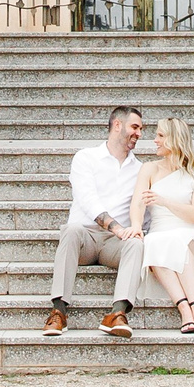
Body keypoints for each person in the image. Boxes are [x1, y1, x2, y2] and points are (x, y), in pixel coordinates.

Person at [45, 105, 149, 337]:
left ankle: (117, 313)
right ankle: (59, 311)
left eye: (141, 129)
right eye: (135, 127)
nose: (139, 134)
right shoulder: (86, 157)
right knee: (70, 230)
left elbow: (146, 210)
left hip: (115, 244)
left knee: (136, 242)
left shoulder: (141, 169)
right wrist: (117, 227)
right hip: (86, 237)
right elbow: (88, 200)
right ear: (117, 125)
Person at [133, 117, 194, 334]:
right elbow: (138, 204)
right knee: (152, 242)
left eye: (160, 135)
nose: (155, 141)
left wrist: (165, 201)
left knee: (177, 240)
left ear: (174, 139)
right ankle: (187, 309)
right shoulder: (149, 169)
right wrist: (135, 226)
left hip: (191, 233)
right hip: (160, 232)